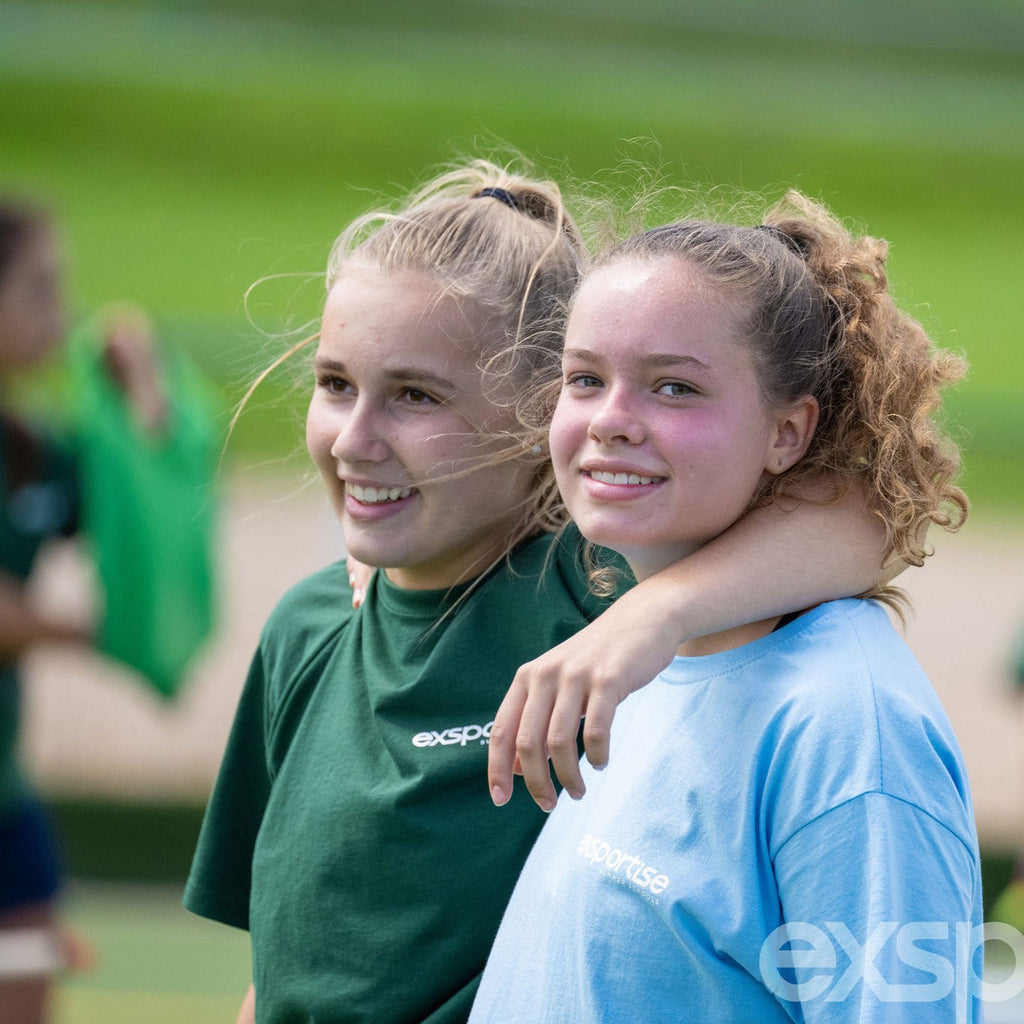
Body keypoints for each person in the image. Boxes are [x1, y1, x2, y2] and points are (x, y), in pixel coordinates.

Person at [183, 162, 896, 1024]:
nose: (354, 440)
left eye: (414, 396)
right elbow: (276, 970)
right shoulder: (309, 626)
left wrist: (650, 614)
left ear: (540, 409)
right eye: (336, 385)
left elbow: (869, 519)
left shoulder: (591, 585)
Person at [470, 192, 980, 1023]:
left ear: (788, 433)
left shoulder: (848, 727)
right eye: (585, 378)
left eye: (674, 387)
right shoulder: (637, 652)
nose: (611, 421)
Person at [0, 201, 168, 1023]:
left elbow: (134, 510)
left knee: (26, 965)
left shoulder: (28, 446)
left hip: (5, 796)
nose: (60, 310)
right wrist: (109, 635)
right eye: (38, 287)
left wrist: (140, 395)